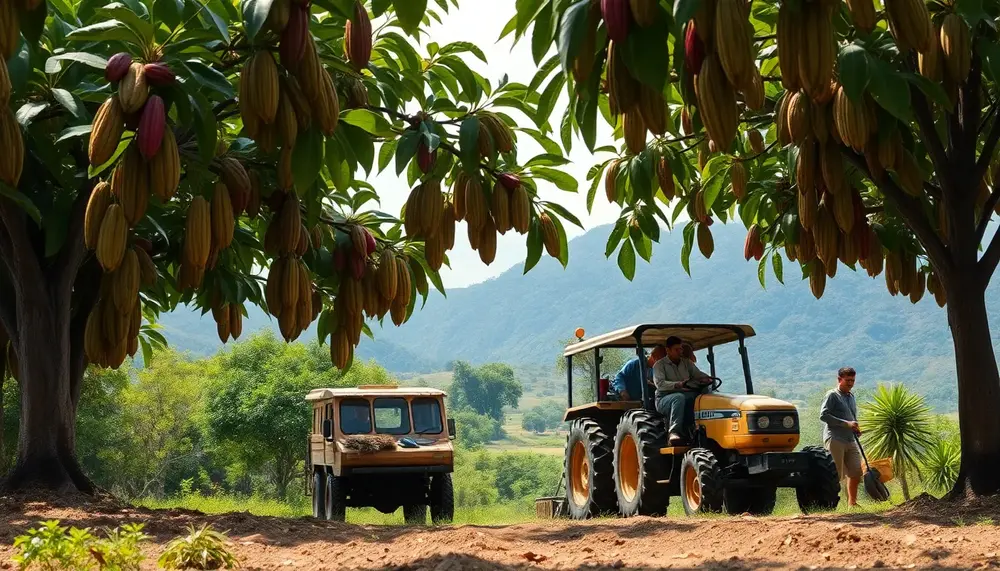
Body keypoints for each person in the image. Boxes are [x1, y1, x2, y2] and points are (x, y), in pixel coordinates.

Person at [652, 336, 712, 445]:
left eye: (681, 349)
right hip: (664, 399)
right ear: (668, 350)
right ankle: (674, 432)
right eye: (677, 349)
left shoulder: (687, 363)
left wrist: (707, 379)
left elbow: (698, 375)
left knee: (704, 396)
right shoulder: (659, 365)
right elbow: (660, 384)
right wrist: (678, 384)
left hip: (687, 394)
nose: (680, 351)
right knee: (678, 398)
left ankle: (703, 429)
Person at [819, 367, 863, 507]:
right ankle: (829, 504)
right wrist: (846, 424)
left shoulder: (851, 396)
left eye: (853, 380)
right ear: (839, 379)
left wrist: (855, 428)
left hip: (850, 439)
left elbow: (851, 417)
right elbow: (823, 416)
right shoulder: (832, 395)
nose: (850, 383)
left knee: (856, 472)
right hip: (835, 439)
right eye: (848, 380)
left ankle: (852, 504)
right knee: (835, 475)